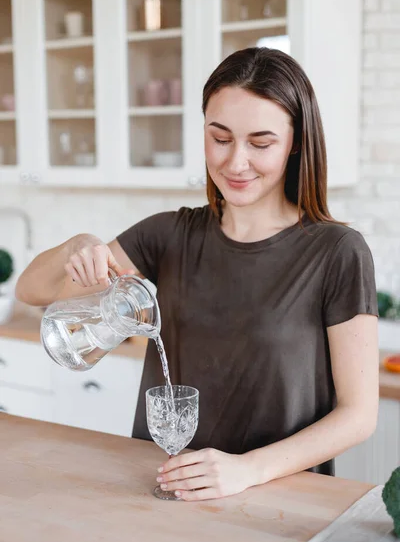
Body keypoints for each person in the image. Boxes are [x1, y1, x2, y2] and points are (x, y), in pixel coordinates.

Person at [16, 47, 379, 502]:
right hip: (163, 490)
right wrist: (77, 245)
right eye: (220, 138)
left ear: (296, 142)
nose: (235, 162)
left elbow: (359, 413)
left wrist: (247, 470)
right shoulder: (168, 235)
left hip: (277, 499)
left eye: (261, 144)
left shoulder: (337, 252)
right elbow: (32, 290)